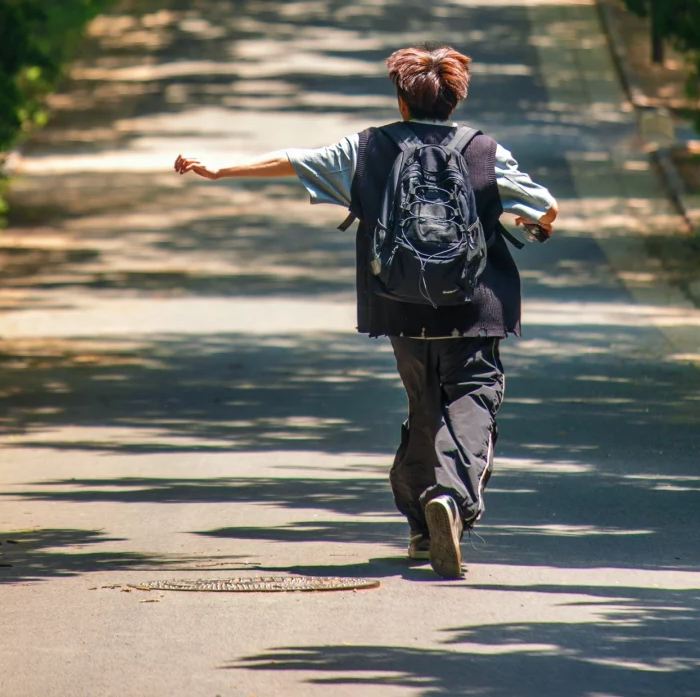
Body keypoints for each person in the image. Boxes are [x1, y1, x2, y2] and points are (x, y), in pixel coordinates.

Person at [174, 44, 558, 579]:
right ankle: (448, 499)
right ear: (453, 99)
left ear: (402, 101)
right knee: (473, 399)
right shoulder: (484, 151)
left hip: (400, 306)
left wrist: (220, 169)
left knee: (424, 407)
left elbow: (296, 159)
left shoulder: (368, 149)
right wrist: (531, 224)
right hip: (473, 309)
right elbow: (542, 207)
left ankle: (423, 526)